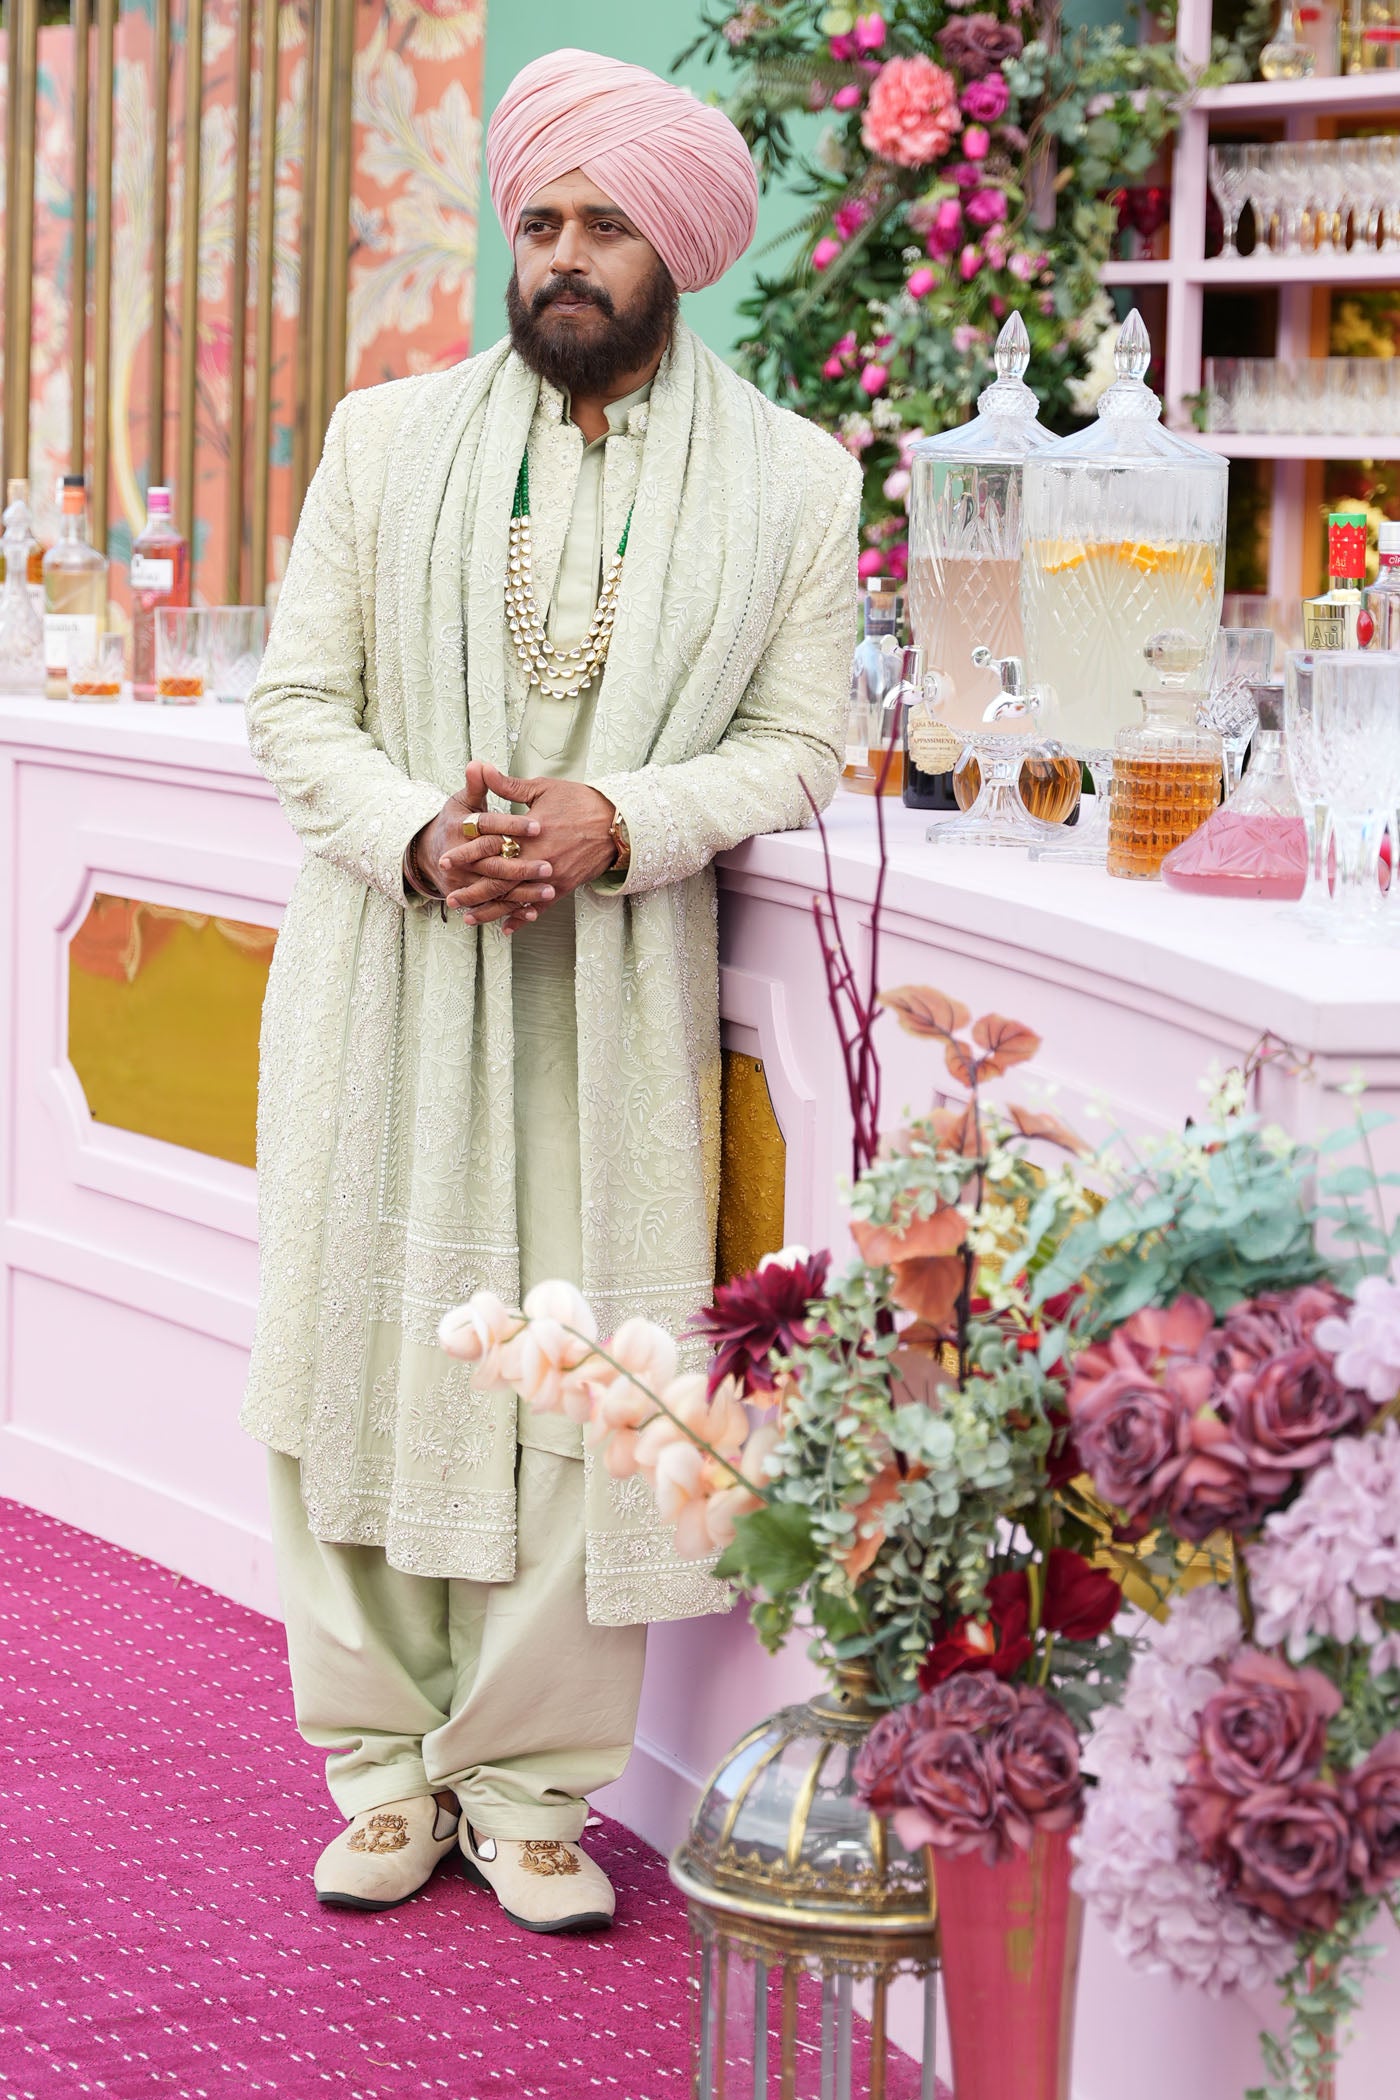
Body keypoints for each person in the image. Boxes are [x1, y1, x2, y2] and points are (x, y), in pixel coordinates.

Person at [242, 46, 861, 1934]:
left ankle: (527, 1790)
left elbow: (801, 745)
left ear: (680, 250)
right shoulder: (383, 439)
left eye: (603, 227)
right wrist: (430, 835)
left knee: (589, 1374)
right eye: (541, 223)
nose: (564, 259)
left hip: (609, 993)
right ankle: (377, 1768)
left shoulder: (797, 481)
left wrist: (624, 819)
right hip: (391, 970)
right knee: (361, 1345)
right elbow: (294, 709)